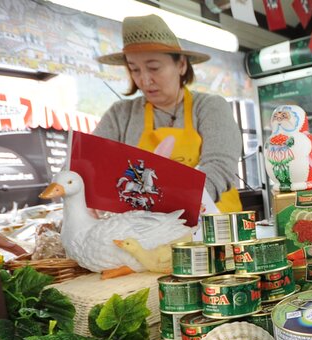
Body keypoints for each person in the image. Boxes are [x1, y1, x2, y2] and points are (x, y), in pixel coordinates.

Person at [94, 15, 243, 212]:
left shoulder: (210, 107)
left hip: (213, 223)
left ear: (181, 65)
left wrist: (177, 203)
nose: (145, 80)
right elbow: (89, 163)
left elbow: (219, 166)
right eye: (134, 69)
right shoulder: (120, 115)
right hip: (147, 228)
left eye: (154, 68)